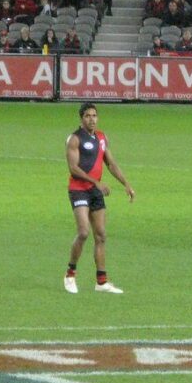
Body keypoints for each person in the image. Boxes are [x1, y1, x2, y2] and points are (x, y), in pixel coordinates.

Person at [64, 103, 135, 294]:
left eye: (94, 115)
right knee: (83, 232)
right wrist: (96, 182)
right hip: (79, 190)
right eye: (87, 116)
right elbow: (73, 168)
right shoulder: (74, 139)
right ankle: (70, 274)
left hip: (95, 191)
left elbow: (111, 163)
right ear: (81, 118)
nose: (92, 119)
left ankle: (101, 282)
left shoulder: (102, 138)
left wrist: (126, 184)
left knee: (101, 235)